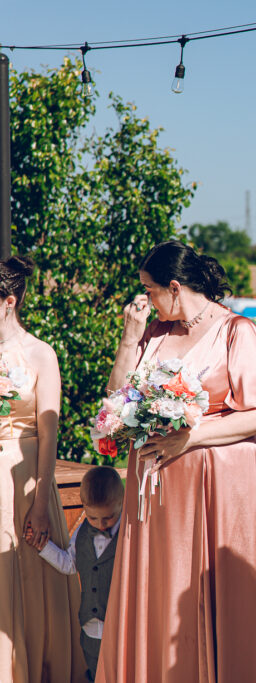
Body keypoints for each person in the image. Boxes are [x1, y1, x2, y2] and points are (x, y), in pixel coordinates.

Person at [96, 240, 256, 683]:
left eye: (149, 290)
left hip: (216, 484)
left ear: (175, 286)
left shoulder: (237, 331)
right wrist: (130, 339)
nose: (144, 300)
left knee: (212, 590)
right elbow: (115, 400)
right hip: (156, 492)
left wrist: (190, 438)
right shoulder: (155, 333)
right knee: (161, 588)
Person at [0, 254, 88, 683]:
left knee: (30, 568)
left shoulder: (41, 354)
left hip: (26, 475)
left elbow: (49, 433)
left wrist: (39, 501)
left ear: (9, 302)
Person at [37, 466, 124, 682]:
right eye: (93, 518)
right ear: (84, 507)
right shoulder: (83, 532)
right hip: (90, 629)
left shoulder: (130, 533)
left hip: (121, 626)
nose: (101, 525)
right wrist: (43, 548)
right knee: (95, 674)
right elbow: (69, 564)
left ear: (122, 503)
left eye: (108, 518)